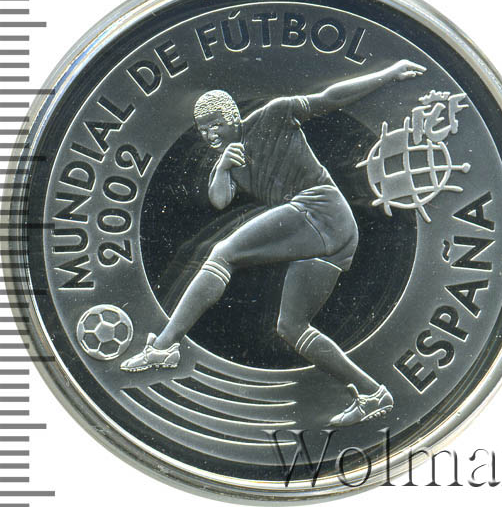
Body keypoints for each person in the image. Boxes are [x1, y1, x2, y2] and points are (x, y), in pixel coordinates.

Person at [121, 59, 426, 426]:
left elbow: (330, 97)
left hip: (321, 209)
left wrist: (388, 74)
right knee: (292, 328)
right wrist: (222, 167)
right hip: (334, 236)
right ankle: (372, 393)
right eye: (203, 129)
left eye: (216, 124)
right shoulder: (229, 160)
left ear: (233, 118)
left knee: (223, 253)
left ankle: (165, 345)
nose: (210, 134)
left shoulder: (274, 115)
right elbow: (220, 201)